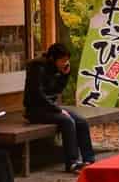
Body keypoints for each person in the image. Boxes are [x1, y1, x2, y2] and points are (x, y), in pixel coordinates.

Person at [23, 42, 95, 172]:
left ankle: (89, 159)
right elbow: (38, 95)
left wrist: (64, 75)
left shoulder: (55, 69)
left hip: (50, 107)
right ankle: (72, 163)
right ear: (52, 58)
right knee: (67, 121)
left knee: (82, 121)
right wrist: (59, 110)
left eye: (66, 60)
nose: (65, 63)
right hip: (35, 110)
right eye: (62, 60)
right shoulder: (37, 67)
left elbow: (56, 91)